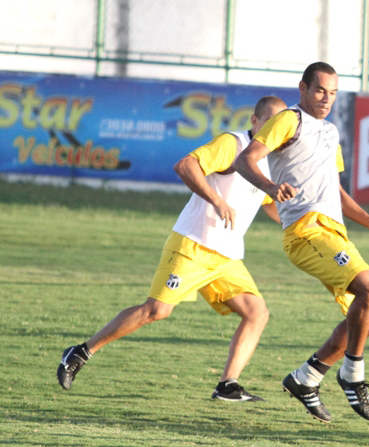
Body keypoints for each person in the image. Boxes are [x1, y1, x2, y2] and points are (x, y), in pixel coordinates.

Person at [57, 96, 289, 402]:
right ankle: (80, 352)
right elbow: (186, 165)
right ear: (255, 122)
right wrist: (217, 201)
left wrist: (292, 222)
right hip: (194, 244)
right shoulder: (232, 145)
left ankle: (227, 385)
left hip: (227, 255)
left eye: (281, 124)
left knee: (256, 312)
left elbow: (270, 202)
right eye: (270, 121)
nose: (276, 128)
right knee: (156, 311)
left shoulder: (271, 160)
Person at [234, 62, 369, 423]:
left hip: (334, 233)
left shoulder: (330, 131)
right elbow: (245, 160)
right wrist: (271, 188)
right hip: (306, 233)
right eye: (320, 90)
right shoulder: (289, 121)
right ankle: (353, 375)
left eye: (333, 92)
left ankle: (306, 378)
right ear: (303, 88)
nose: (327, 99)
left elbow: (335, 191)